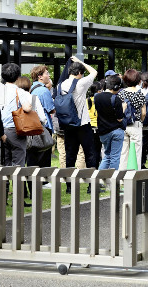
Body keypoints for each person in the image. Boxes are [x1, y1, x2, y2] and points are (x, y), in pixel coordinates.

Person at [59, 56, 97, 193]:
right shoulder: (80, 83)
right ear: (80, 73)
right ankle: (91, 186)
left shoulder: (61, 85)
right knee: (90, 154)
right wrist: (80, 61)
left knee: (70, 155)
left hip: (68, 125)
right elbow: (94, 72)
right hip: (82, 124)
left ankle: (69, 186)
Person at [0, 63, 32, 167]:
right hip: (15, 130)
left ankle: (2, 183)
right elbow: (27, 108)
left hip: (0, 130)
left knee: (2, 161)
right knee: (18, 162)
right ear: (18, 77)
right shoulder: (20, 92)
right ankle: (18, 183)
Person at [27, 65, 55, 169]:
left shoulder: (31, 88)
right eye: (47, 73)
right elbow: (51, 109)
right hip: (44, 126)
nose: (49, 75)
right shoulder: (43, 91)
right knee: (44, 154)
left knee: (32, 155)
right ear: (40, 77)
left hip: (32, 126)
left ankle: (33, 180)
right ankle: (44, 180)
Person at [94, 75, 125, 170]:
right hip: (116, 131)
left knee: (107, 155)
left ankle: (99, 179)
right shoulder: (116, 99)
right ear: (116, 87)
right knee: (115, 156)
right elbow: (120, 118)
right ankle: (113, 181)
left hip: (103, 131)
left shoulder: (97, 97)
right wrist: (123, 108)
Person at [118, 69, 146, 170]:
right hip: (135, 125)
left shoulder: (121, 93)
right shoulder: (140, 94)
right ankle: (134, 178)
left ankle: (121, 179)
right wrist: (141, 121)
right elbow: (143, 112)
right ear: (138, 80)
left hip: (124, 125)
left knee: (123, 153)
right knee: (136, 153)